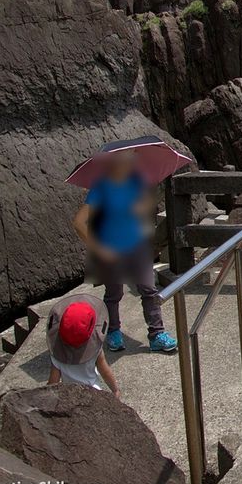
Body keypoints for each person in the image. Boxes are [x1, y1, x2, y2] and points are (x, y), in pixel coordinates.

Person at [72, 150, 177, 353]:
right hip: (112, 248)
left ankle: (157, 334)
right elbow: (79, 223)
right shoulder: (101, 188)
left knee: (149, 289)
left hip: (138, 245)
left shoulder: (136, 181)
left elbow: (144, 207)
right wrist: (100, 250)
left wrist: (143, 205)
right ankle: (113, 332)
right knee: (114, 293)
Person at [46, 294, 119, 397]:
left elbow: (53, 382)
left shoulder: (57, 354)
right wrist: (115, 390)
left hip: (69, 395)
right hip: (93, 392)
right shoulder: (95, 351)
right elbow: (105, 372)